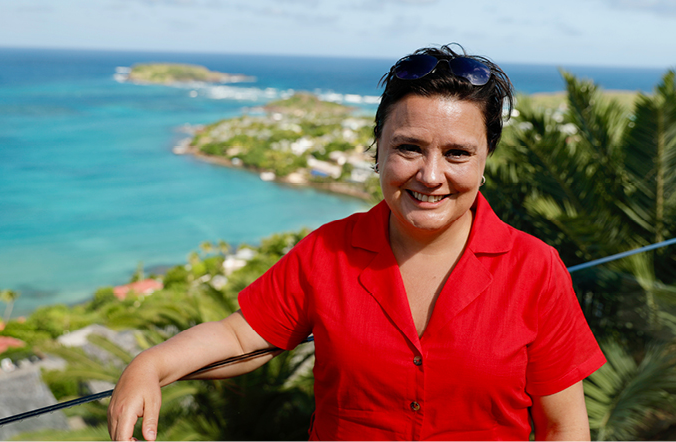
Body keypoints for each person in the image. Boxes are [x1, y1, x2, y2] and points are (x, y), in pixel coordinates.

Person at [107, 44, 606, 441]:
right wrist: (148, 366)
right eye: (408, 148)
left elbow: (564, 427)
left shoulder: (535, 267)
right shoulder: (328, 250)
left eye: (457, 153)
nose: (431, 176)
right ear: (378, 150)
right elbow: (241, 338)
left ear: (485, 159)